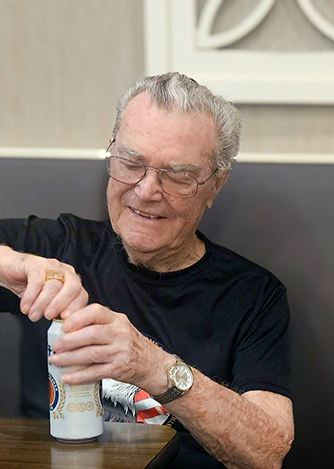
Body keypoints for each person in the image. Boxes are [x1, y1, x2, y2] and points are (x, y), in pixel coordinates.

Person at [0, 72, 293, 469]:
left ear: (214, 185)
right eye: (131, 163)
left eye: (177, 175)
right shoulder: (58, 247)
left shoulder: (253, 295)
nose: (146, 190)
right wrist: (15, 265)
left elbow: (267, 452)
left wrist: (153, 366)